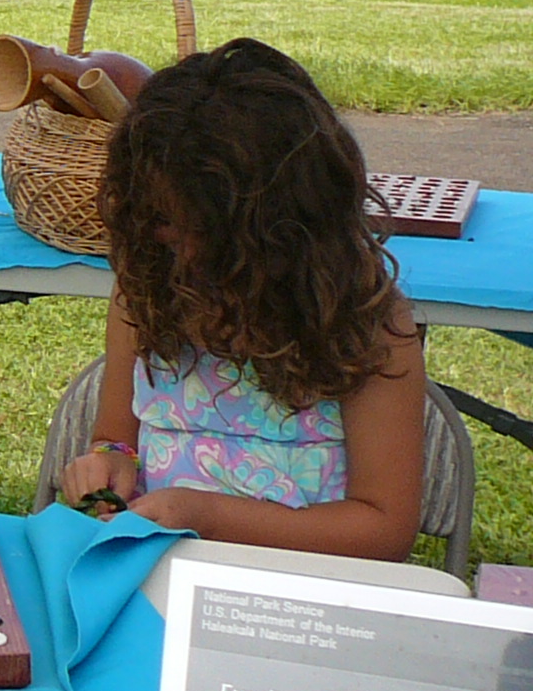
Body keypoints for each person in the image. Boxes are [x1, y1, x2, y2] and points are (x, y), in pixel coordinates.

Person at [55, 38, 424, 559]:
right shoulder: (145, 294)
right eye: (160, 221)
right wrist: (109, 462)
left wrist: (205, 516)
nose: (178, 247)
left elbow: (384, 531)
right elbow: (118, 438)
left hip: (299, 595)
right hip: (157, 575)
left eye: (202, 228)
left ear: (284, 226)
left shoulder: (364, 325)